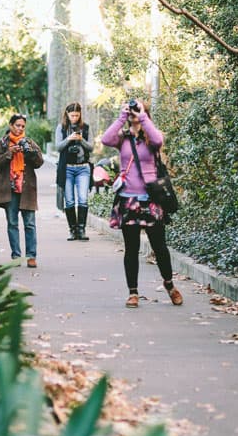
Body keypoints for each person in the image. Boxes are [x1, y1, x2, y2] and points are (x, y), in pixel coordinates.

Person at [101, 99, 183, 308]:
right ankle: (133, 292)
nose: (133, 113)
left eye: (136, 110)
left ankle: (169, 284)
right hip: (128, 200)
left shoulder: (150, 136)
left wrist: (142, 117)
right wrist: (122, 117)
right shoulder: (123, 139)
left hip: (151, 200)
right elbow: (106, 139)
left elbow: (158, 140)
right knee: (131, 248)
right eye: (132, 110)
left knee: (160, 247)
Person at [0, 113, 44, 267]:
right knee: (12, 223)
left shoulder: (29, 142)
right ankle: (16, 256)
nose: (20, 128)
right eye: (17, 125)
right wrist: (10, 153)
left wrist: (29, 153)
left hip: (27, 188)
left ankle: (31, 256)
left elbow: (39, 162)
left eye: (22, 126)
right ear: (11, 125)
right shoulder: (2, 143)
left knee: (29, 224)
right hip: (9, 189)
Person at [55, 102, 92, 240]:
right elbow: (58, 147)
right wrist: (69, 139)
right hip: (67, 168)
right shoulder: (61, 128)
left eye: (77, 115)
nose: (74, 118)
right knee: (69, 200)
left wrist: (81, 140)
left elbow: (91, 147)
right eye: (72, 115)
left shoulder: (86, 127)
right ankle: (72, 230)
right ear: (67, 114)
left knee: (83, 198)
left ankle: (81, 230)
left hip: (83, 168)